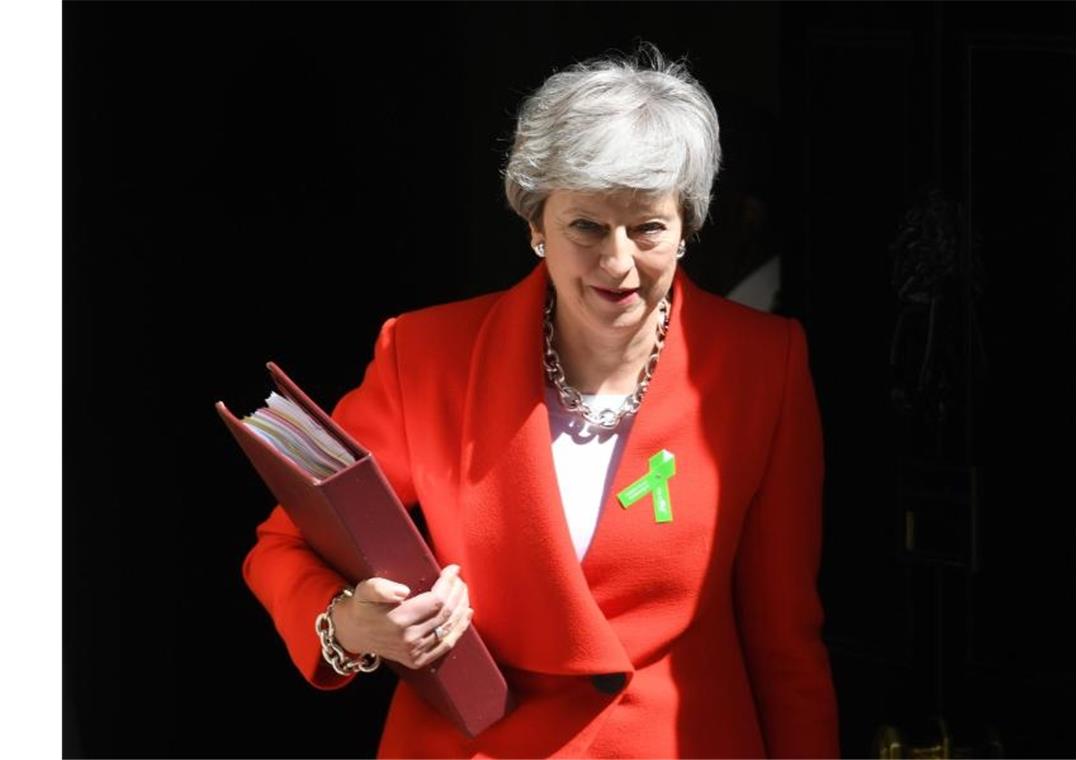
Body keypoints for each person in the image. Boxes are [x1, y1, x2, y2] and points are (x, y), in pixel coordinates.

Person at [242, 43, 839, 758]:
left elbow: (784, 643)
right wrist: (346, 624)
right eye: (586, 226)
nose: (617, 262)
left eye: (647, 226)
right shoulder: (426, 355)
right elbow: (281, 544)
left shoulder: (763, 364)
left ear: (687, 226)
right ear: (534, 225)